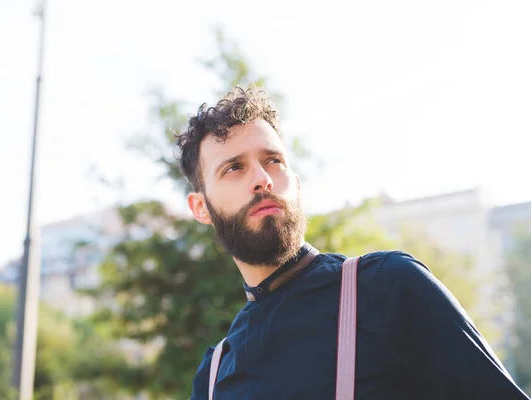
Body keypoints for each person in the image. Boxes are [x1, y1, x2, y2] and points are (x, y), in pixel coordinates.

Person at [175, 86, 529, 399]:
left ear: (296, 184)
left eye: (273, 160)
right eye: (234, 168)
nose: (263, 179)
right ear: (201, 207)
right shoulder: (213, 377)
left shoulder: (389, 287)